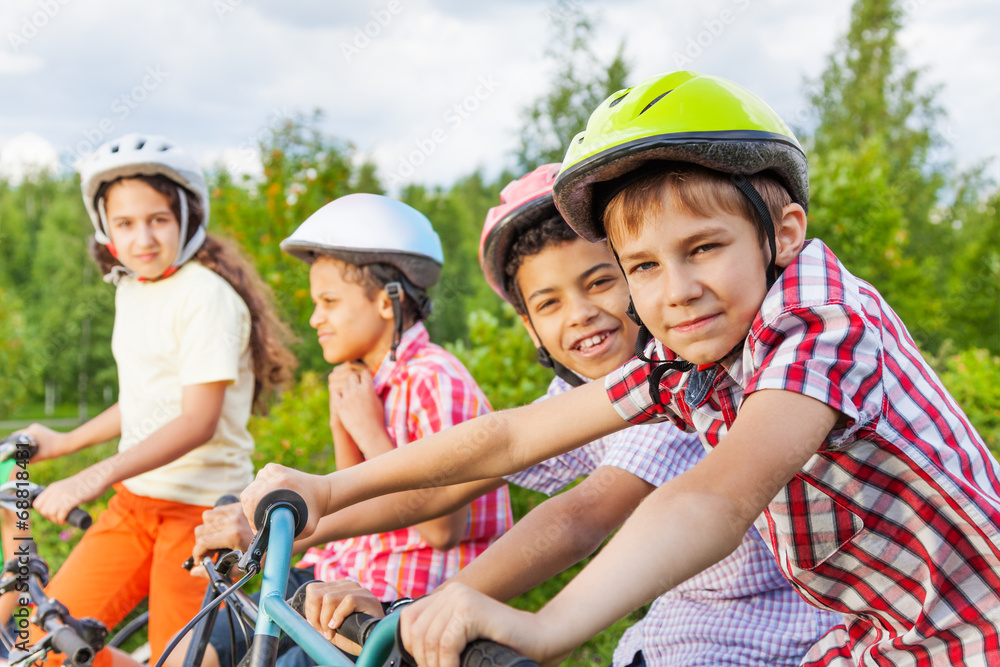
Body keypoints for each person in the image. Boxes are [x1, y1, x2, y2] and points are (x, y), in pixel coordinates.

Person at [240, 72, 1000, 666]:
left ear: (784, 232)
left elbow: (714, 497)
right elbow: (510, 437)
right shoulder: (693, 355)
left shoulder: (820, 320)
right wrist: (326, 489)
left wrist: (544, 627)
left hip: (976, 632)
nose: (676, 290)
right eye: (641, 265)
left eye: (703, 248)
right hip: (883, 634)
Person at [295, 164, 839, 666]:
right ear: (530, 326)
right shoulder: (626, 383)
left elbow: (579, 517)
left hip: (774, 631)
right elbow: (490, 451)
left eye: (601, 281)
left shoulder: (701, 371)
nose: (580, 315)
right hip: (685, 623)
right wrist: (312, 507)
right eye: (548, 302)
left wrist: (417, 613)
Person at [177, 193, 512, 667]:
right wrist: (343, 425)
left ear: (385, 300)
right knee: (204, 647)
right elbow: (351, 497)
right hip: (342, 576)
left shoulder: (435, 379)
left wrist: (366, 426)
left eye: (329, 302)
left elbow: (441, 528)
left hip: (399, 599)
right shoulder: (364, 380)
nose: (316, 318)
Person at [17, 133, 296, 667]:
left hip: (202, 514)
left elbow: (196, 421)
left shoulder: (206, 295)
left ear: (187, 219)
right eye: (125, 223)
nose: (142, 237)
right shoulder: (133, 288)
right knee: (44, 644)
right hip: (134, 502)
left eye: (158, 219)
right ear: (106, 228)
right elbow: (149, 401)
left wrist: (92, 474)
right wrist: (68, 442)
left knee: (182, 663)